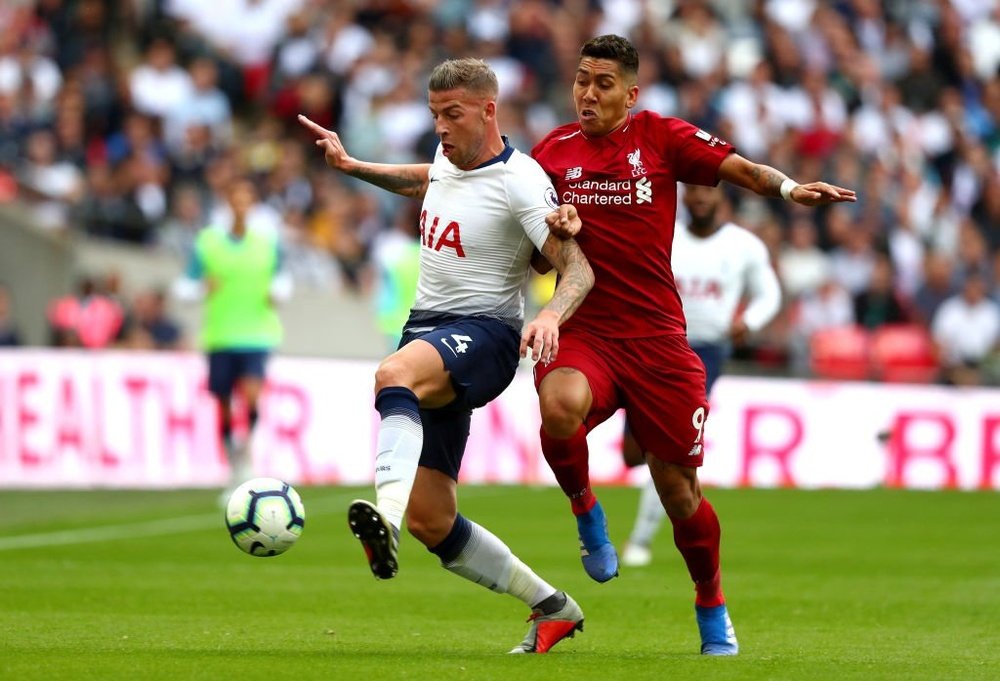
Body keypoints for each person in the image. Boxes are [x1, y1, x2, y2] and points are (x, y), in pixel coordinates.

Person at [529, 34, 855, 656]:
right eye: (580, 80)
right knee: (557, 406)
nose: (587, 94)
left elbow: (743, 172)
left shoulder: (662, 136)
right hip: (587, 331)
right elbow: (518, 224)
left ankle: (711, 601)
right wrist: (550, 234)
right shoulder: (552, 152)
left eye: (602, 84)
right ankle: (585, 510)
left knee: (679, 493)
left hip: (658, 341)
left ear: (631, 92)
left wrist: (790, 191)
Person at [298, 57, 595, 654]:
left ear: (489, 110)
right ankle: (553, 606)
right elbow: (425, 180)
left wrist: (547, 314)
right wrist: (354, 166)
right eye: (435, 114)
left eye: (452, 114)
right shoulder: (448, 157)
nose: (440, 126)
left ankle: (383, 511)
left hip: (485, 333)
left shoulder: (521, 180)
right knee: (433, 520)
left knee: (392, 376)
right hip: (428, 330)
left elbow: (577, 268)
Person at [620, 183, 782, 568]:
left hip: (703, 352)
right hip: (652, 345)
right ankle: (673, 483)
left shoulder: (743, 246)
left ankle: (641, 539)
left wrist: (750, 321)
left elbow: (769, 293)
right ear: (684, 198)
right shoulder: (664, 233)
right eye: (693, 192)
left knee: (666, 450)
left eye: (708, 193)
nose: (701, 199)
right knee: (633, 453)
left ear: (722, 200)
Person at [173, 177, 292, 499]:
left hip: (257, 333)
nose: (241, 205)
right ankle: (232, 466)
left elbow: (283, 278)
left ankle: (245, 457)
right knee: (224, 406)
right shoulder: (208, 242)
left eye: (246, 199)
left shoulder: (267, 242)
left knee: (252, 398)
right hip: (221, 335)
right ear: (228, 203)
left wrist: (277, 293)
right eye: (236, 199)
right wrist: (200, 289)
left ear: (252, 204)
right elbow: (183, 285)